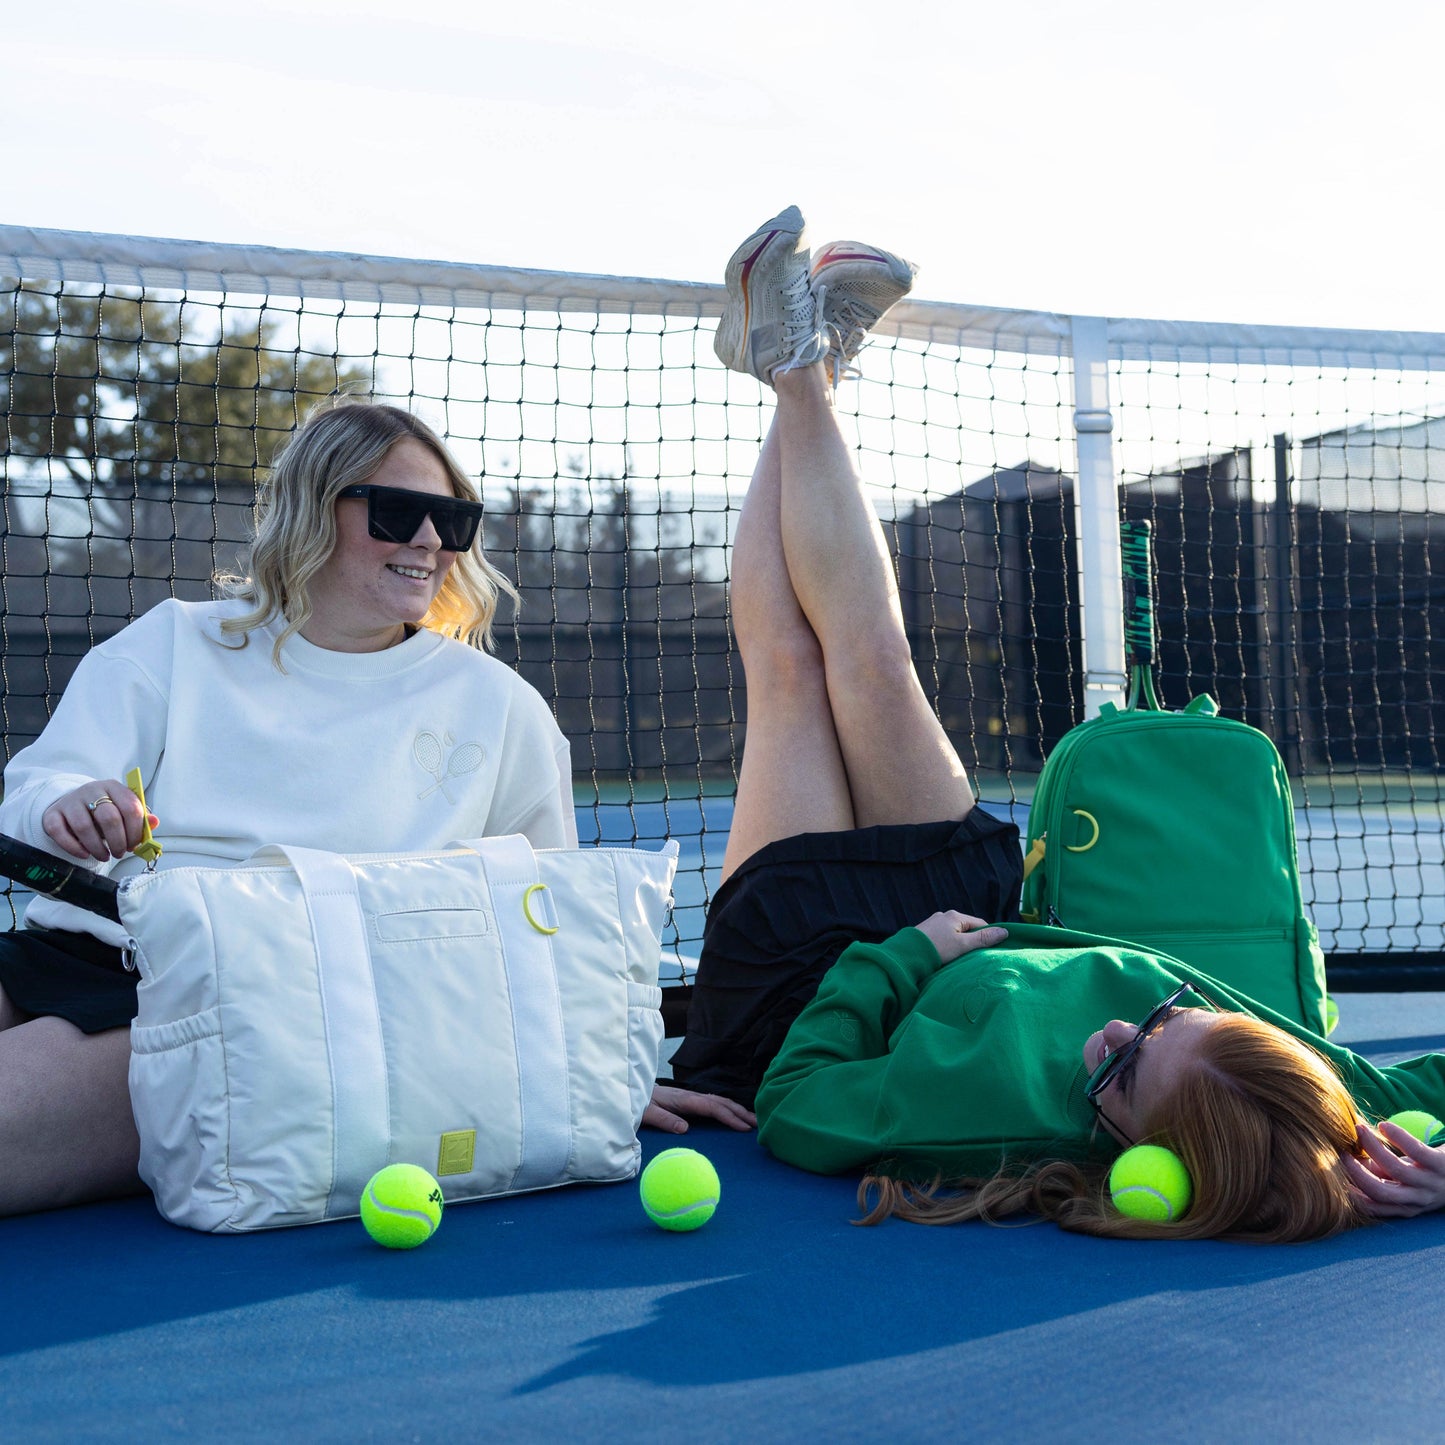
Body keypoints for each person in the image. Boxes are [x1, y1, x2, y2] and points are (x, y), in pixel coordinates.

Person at [672, 207, 1445, 1242]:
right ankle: (801, 365)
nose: (1117, 1028)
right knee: (876, 661)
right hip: (982, 926)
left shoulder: (991, 1112)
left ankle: (801, 365)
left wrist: (900, 956)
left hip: (818, 995)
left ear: (1143, 1159)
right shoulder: (1280, 1073)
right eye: (1171, 1015)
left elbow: (799, 1104)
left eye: (1122, 1072)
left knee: (790, 673)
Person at [0, 400, 741, 1217]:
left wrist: (594, 1080)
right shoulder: (174, 642)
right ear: (312, 509)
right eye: (397, 512)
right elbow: (32, 795)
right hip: (65, 948)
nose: (428, 540)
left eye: (451, 519)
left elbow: (552, 924)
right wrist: (68, 805)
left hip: (243, 1020)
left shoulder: (499, 706)